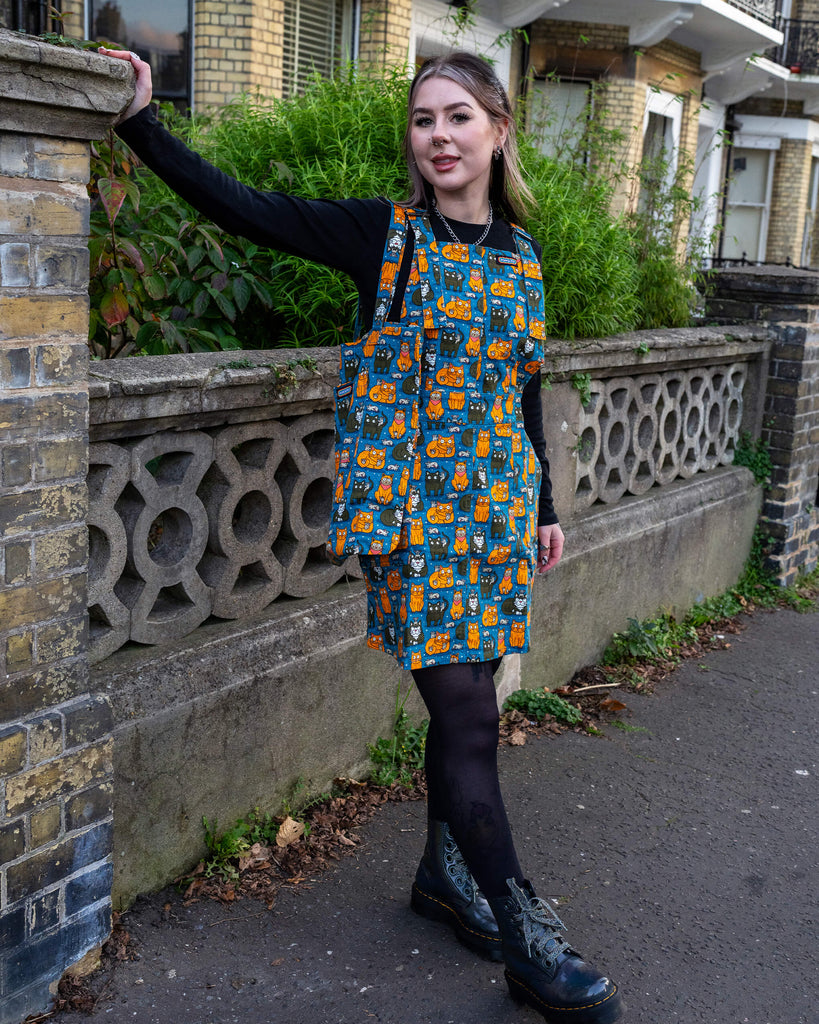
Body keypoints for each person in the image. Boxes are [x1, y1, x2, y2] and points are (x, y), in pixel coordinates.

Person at [101, 45, 622, 1024]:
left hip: (497, 516)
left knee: (470, 714)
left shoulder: (521, 255)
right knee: (469, 717)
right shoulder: (382, 237)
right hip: (413, 522)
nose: (439, 137)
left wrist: (546, 509)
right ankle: (526, 932)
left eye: (458, 117)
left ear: (498, 129)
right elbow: (243, 207)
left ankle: (440, 870)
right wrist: (141, 120)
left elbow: (527, 388)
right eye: (423, 120)